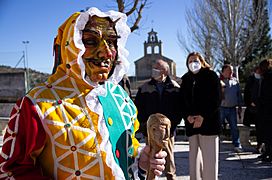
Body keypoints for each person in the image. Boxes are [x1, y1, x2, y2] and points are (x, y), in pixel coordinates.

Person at [0, 7, 167, 179]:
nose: (107, 52)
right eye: (91, 41)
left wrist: (142, 160)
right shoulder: (37, 105)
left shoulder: (121, 98)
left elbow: (127, 150)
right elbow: (11, 171)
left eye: (111, 41)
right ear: (71, 46)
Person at [134, 59, 182, 180]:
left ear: (164, 71)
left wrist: (172, 127)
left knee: (169, 160)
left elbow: (179, 109)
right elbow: (138, 108)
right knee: (151, 160)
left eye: (157, 68)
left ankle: (171, 177)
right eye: (153, 68)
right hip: (150, 131)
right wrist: (145, 127)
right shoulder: (144, 88)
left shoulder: (175, 88)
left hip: (168, 132)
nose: (153, 71)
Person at [180, 52, 221, 180]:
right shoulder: (185, 79)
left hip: (209, 124)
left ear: (202, 62)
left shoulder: (211, 76)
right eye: (190, 61)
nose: (193, 63)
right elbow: (182, 100)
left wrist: (203, 116)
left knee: (209, 160)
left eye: (195, 60)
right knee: (194, 160)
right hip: (192, 125)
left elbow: (216, 99)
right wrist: (187, 116)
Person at [220, 64, 243, 153]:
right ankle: (215, 143)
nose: (231, 72)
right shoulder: (219, 81)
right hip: (221, 108)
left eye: (232, 70)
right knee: (218, 126)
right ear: (223, 72)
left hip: (232, 108)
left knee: (234, 127)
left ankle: (237, 144)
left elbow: (239, 95)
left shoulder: (235, 82)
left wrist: (240, 106)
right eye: (228, 70)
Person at [243, 66, 263, 153]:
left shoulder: (264, 79)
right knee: (251, 126)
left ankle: (260, 145)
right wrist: (250, 102)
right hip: (252, 108)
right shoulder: (251, 80)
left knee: (260, 128)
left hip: (261, 108)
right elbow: (247, 92)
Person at [257, 59, 272, 162]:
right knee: (267, 133)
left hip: (268, 109)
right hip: (265, 109)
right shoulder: (266, 77)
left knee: (269, 133)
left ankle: (270, 154)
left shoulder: (269, 77)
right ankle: (267, 152)